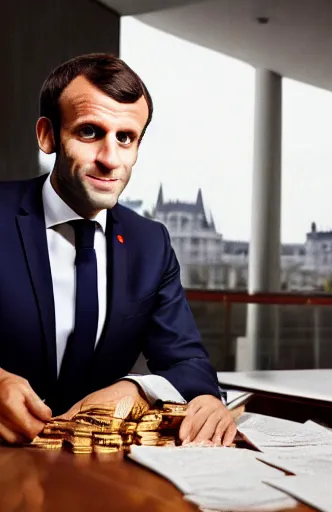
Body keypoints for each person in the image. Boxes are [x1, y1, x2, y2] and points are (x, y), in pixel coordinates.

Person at [0, 53, 236, 447]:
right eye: (90, 132)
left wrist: (139, 389)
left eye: (125, 138)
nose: (111, 160)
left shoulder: (150, 243)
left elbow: (192, 367)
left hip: (95, 472)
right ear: (47, 136)